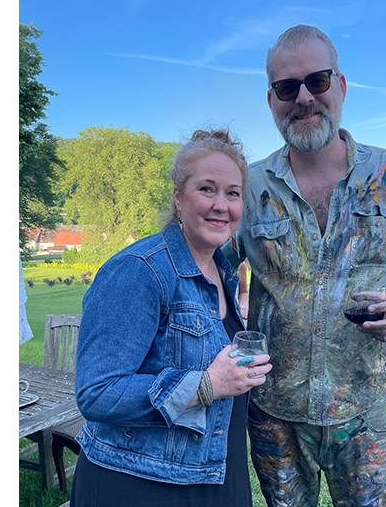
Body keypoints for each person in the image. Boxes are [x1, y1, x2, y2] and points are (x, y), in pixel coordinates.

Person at [222, 25, 386, 507]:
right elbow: (208, 268)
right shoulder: (248, 184)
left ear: (341, 87)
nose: (303, 97)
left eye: (317, 81)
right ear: (271, 100)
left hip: (363, 410)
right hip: (273, 414)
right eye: (287, 87)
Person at [70, 128, 272, 507]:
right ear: (178, 197)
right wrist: (206, 384)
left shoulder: (221, 270)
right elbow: (96, 392)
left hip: (210, 474)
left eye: (232, 193)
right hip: (141, 485)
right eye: (206, 189)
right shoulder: (139, 270)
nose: (221, 205)